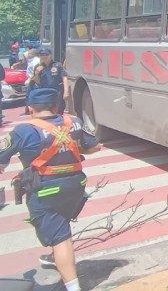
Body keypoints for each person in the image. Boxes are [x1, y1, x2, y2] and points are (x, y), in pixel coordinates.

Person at [0, 88, 100, 291]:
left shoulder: (23, 131)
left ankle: (73, 288)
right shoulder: (74, 122)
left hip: (46, 191)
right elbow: (93, 147)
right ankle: (57, 258)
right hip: (75, 187)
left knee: (60, 237)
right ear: (56, 106)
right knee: (61, 223)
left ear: (29, 108)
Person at [37, 49, 69, 114]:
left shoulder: (57, 65)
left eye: (46, 54)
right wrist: (37, 72)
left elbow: (64, 77)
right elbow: (35, 81)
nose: (44, 56)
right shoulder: (38, 67)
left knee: (58, 111)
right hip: (45, 93)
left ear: (50, 55)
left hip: (57, 92)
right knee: (46, 112)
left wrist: (66, 91)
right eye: (42, 55)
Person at [21, 49, 40, 115]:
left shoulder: (36, 60)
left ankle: (29, 110)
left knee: (30, 95)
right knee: (29, 95)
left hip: (33, 81)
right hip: (31, 80)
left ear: (33, 54)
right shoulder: (31, 60)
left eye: (29, 54)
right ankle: (28, 110)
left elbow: (35, 71)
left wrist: (31, 79)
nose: (28, 55)